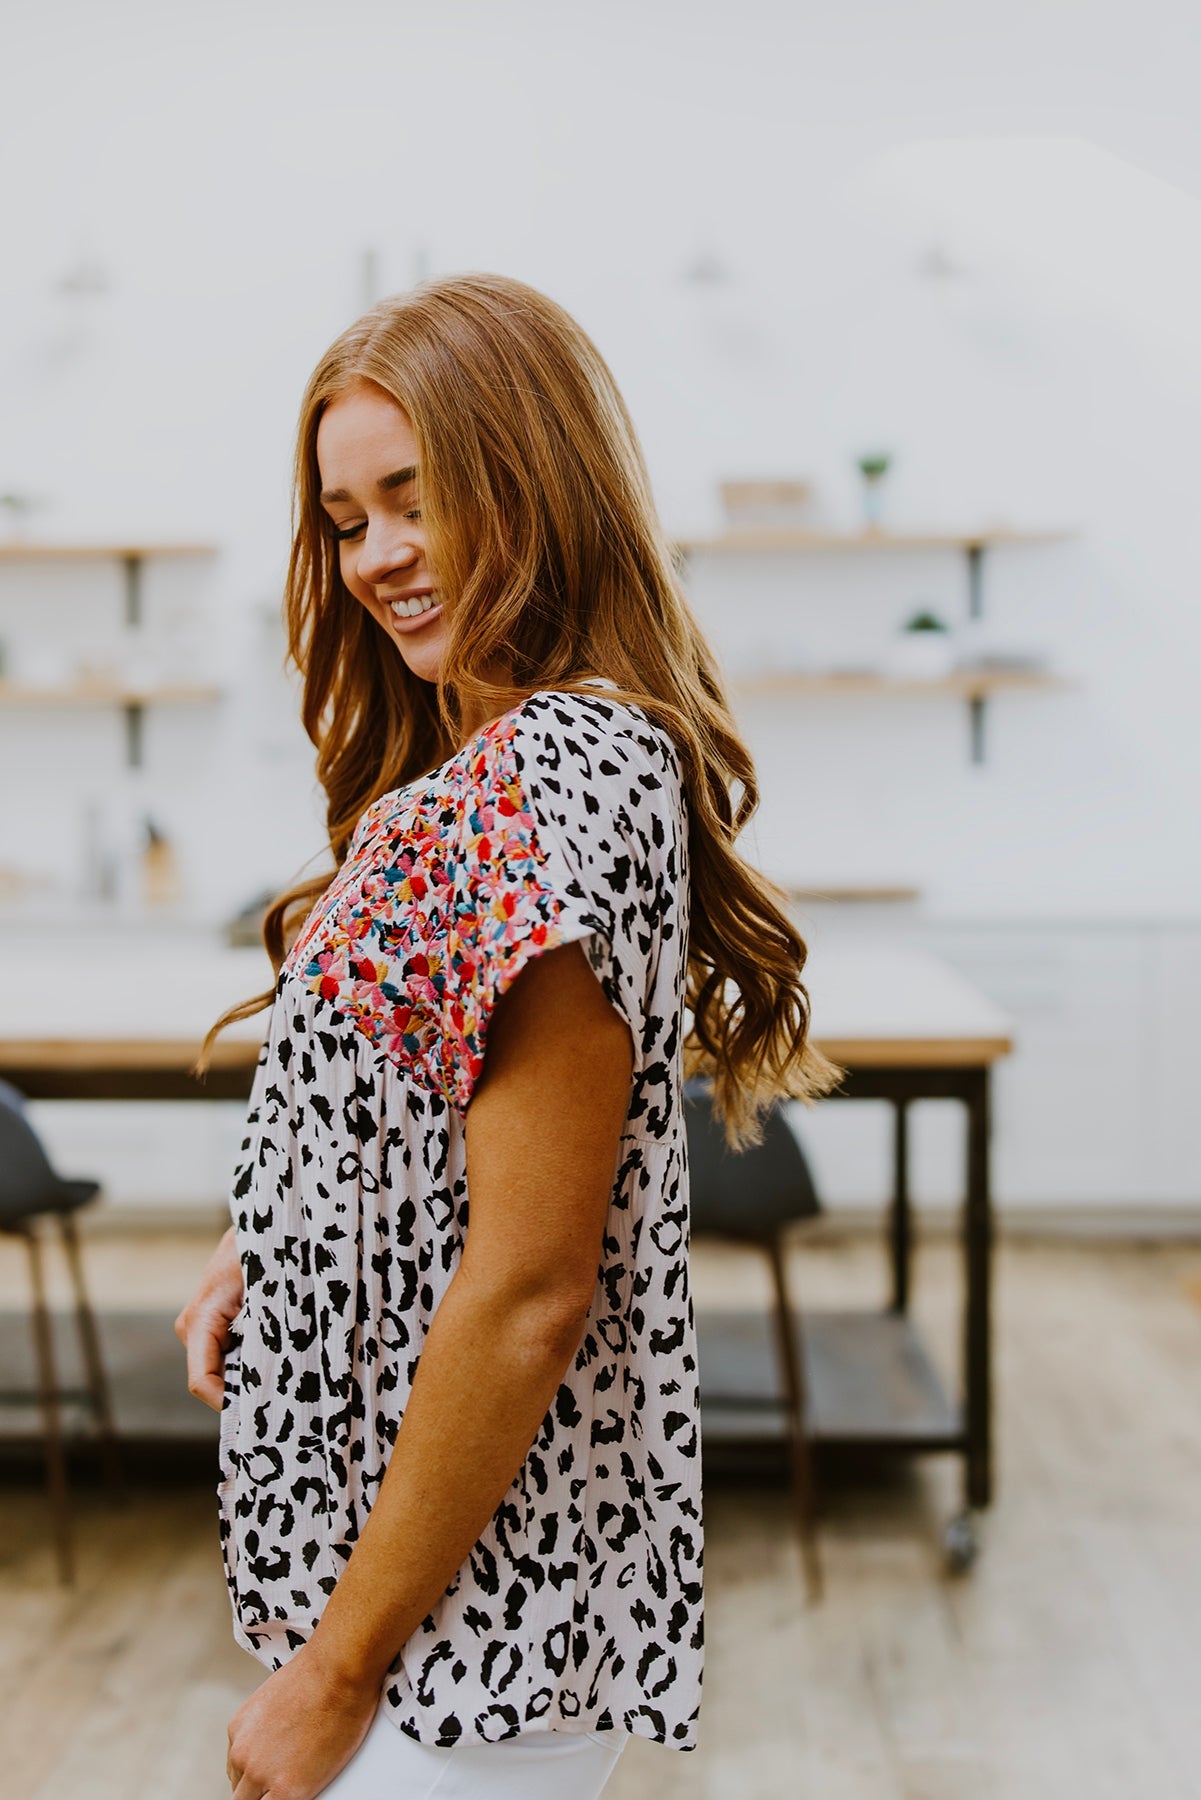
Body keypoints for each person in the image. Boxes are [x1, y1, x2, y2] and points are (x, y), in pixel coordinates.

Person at [175, 272, 839, 1800]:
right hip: (425, 1604)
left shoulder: (553, 779)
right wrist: (270, 1243)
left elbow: (535, 1285)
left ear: (528, 480)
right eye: (345, 521)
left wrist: (335, 1678)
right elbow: (418, 1128)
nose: (377, 558)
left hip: (460, 1630)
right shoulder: (501, 763)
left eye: (415, 500)